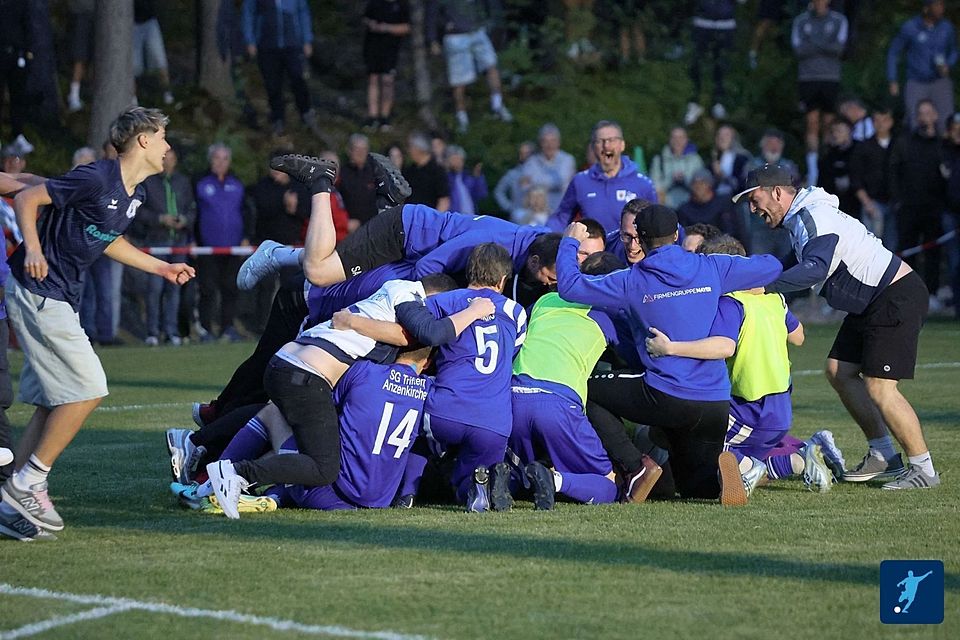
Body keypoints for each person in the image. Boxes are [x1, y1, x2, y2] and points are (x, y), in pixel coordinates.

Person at [0, 107, 195, 535]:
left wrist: (160, 268)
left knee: (52, 402)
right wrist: (32, 248)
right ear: (143, 141)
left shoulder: (135, 194)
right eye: (162, 136)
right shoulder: (96, 177)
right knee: (89, 388)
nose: (167, 146)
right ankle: (30, 481)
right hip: (39, 291)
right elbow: (27, 197)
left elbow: (109, 241)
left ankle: (10, 503)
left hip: (58, 297)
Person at [206, 268, 488, 519]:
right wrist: (474, 311)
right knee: (322, 467)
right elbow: (431, 332)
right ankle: (235, 473)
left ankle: (214, 480)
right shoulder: (406, 294)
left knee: (280, 420)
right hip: (305, 374)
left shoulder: (384, 326)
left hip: (294, 364)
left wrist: (354, 323)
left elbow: (408, 335)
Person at [557, 204, 783, 504]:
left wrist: (569, 241)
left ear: (641, 240)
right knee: (694, 488)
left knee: (590, 390)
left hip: (665, 395)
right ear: (677, 234)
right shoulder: (711, 267)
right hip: (714, 401)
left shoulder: (632, 280)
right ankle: (734, 469)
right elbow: (771, 266)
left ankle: (635, 468)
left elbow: (570, 286)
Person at [733, 163, 940, 490]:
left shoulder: (813, 217)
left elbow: (814, 269)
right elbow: (797, 265)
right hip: (874, 301)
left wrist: (765, 285)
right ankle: (883, 453)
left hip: (894, 295)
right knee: (838, 370)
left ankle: (923, 468)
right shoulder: (803, 218)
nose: (752, 208)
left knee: (880, 387)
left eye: (754, 198)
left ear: (776, 192)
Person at [646, 234, 842, 500]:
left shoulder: (732, 303)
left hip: (750, 405)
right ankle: (801, 457)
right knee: (745, 458)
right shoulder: (774, 299)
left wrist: (671, 348)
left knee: (695, 445)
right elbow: (798, 337)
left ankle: (784, 461)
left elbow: (724, 347)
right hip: (779, 404)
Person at [343, 243, 527, 511]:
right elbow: (511, 352)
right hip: (494, 422)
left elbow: (417, 335)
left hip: (444, 411)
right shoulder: (516, 312)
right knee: (472, 472)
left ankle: (407, 493)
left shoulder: (443, 302)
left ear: (469, 274)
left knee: (413, 426)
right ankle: (478, 487)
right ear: (502, 280)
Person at [502, 251, 633, 509]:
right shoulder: (609, 314)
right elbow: (632, 358)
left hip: (513, 396)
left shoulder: (546, 300)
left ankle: (501, 478)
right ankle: (555, 481)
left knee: (523, 471)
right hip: (558, 402)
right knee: (610, 483)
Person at [547, 120, 657, 234]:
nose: (606, 145)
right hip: (594, 250)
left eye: (612, 140)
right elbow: (561, 218)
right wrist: (544, 236)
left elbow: (654, 224)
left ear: (622, 145)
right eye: (600, 141)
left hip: (628, 250)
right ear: (593, 147)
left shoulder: (643, 184)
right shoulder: (580, 181)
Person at [134, 146, 196, 346]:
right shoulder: (148, 182)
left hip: (179, 242)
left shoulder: (183, 182)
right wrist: (160, 219)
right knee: (154, 289)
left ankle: (171, 332)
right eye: (164, 158)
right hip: (156, 242)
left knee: (175, 290)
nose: (167, 162)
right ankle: (152, 332)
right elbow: (139, 212)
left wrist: (184, 220)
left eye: (171, 158)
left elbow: (193, 210)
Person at [426, 0, 513, 133]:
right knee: (459, 81)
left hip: (477, 31)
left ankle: (497, 105)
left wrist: (488, 21)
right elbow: (432, 14)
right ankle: (462, 119)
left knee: (491, 66)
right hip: (456, 36)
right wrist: (433, 39)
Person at [890, 99, 945, 308]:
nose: (924, 117)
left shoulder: (943, 143)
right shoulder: (905, 142)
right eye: (921, 113)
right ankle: (908, 292)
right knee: (907, 251)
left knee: (933, 252)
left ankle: (932, 294)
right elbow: (893, 172)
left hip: (934, 208)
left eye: (928, 112)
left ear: (935, 115)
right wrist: (897, 201)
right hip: (908, 207)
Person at [195, 143, 252, 341]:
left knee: (230, 289)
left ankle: (228, 328)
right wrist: (193, 240)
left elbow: (248, 212)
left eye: (224, 158)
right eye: (217, 158)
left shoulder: (237, 184)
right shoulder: (200, 183)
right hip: (207, 248)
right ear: (210, 160)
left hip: (233, 248)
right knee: (207, 290)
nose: (220, 162)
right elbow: (193, 213)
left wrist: (246, 236)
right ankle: (206, 330)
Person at [792, 0, 849, 187]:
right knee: (812, 123)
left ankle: (827, 165)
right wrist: (825, 45)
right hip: (808, 78)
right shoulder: (801, 21)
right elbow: (799, 49)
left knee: (829, 124)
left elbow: (839, 49)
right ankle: (813, 170)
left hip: (830, 78)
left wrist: (814, 45)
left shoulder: (839, 20)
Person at [241, 0, 318, 137]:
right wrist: (250, 40)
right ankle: (278, 118)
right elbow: (248, 13)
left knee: (298, 79)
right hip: (266, 45)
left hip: (293, 44)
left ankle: (306, 112)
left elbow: (303, 12)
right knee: (272, 84)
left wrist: (307, 39)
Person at [887, 0, 956, 133]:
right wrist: (892, 79)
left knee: (946, 122)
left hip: (940, 80)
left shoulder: (947, 27)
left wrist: (949, 64)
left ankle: (945, 152)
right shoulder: (910, 27)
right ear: (926, 8)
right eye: (937, 5)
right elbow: (893, 52)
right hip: (916, 81)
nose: (941, 9)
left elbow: (953, 51)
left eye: (942, 5)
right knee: (915, 121)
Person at [849, 102, 897, 250]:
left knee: (893, 248)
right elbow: (855, 178)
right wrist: (867, 203)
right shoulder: (863, 147)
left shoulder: (899, 145)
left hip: (896, 204)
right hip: (872, 203)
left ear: (891, 121)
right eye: (877, 120)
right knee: (871, 248)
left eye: (884, 120)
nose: (880, 124)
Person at [684, 0, 737, 124]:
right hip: (702, 23)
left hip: (725, 24)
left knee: (721, 66)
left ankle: (718, 102)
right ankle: (694, 102)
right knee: (696, 64)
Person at [363, 0, 410, 131]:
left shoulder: (401, 5)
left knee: (387, 81)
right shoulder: (374, 3)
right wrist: (372, 25)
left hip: (391, 49)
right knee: (373, 80)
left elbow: (406, 27)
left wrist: (387, 28)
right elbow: (366, 19)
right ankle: (372, 116)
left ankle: (385, 117)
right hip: (372, 46)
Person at [519, 123, 576, 213]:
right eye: (545, 141)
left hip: (560, 211)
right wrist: (553, 184)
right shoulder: (531, 161)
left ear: (558, 142)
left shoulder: (567, 160)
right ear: (540, 143)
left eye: (553, 141)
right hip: (537, 212)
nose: (550, 145)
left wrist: (536, 184)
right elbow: (523, 186)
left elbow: (561, 180)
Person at [650, 126, 704, 208]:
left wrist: (684, 181)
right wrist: (671, 180)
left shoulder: (695, 160)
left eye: (681, 137)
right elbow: (655, 188)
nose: (677, 141)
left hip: (691, 207)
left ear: (686, 140)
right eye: (674, 137)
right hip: (667, 207)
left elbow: (702, 187)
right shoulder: (659, 160)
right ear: (669, 140)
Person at [133, 0, 174, 105]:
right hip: (132, 23)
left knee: (159, 60)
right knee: (134, 65)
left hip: (150, 21)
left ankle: (167, 94)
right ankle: (133, 99)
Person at [817, 118, 858, 216]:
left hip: (856, 203)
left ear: (850, 132)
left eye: (839, 131)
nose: (835, 134)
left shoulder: (859, 151)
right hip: (834, 206)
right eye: (833, 131)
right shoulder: (828, 154)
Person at [677, 169, 736, 237]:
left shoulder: (722, 204)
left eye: (702, 183)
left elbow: (730, 231)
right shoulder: (684, 210)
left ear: (709, 185)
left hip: (719, 244)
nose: (697, 187)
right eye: (695, 183)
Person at [338, 133, 379, 227]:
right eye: (357, 148)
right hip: (350, 228)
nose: (360, 152)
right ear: (349, 150)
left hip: (373, 227)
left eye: (364, 149)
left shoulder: (375, 172)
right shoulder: (342, 173)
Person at [403, 132, 451, 211]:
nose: (409, 151)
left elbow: (444, 200)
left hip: (430, 218)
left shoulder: (437, 171)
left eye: (411, 147)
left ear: (419, 149)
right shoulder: (410, 171)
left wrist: (436, 220)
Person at [495, 140, 537, 219]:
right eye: (521, 153)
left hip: (538, 216)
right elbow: (498, 191)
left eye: (527, 153)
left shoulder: (540, 173)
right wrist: (509, 207)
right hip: (518, 217)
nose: (524, 156)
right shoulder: (512, 174)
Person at [67, 0, 95, 112]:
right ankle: (73, 96)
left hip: (97, 15)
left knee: (97, 59)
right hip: (81, 13)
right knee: (80, 57)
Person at [445, 145, 487, 215]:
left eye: (459, 159)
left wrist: (478, 178)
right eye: (454, 159)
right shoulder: (446, 178)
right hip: (454, 217)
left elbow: (481, 194)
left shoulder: (468, 177)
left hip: (471, 216)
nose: (457, 162)